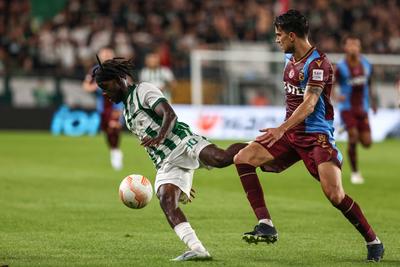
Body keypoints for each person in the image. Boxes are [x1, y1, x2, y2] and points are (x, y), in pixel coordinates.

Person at [233, 10, 384, 262]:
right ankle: (266, 223)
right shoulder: (289, 58)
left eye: (279, 36)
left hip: (316, 137)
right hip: (291, 134)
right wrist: (284, 130)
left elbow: (310, 104)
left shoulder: (318, 64)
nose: (277, 40)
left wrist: (281, 128)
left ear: (292, 36)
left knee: (335, 195)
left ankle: (373, 241)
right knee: (243, 157)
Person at [93, 57, 245, 261]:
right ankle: (198, 249)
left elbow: (169, 114)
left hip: (182, 142)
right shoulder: (127, 110)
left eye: (105, 86)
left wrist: (160, 136)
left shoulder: (142, 90)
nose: (105, 93)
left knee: (222, 158)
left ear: (119, 79)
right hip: (166, 162)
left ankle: (260, 146)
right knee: (166, 199)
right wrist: (181, 181)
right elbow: (151, 147)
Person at [335, 35, 377, 184]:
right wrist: (335, 96)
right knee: (353, 136)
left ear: (359, 48)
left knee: (367, 143)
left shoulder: (366, 64)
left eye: (356, 45)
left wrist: (373, 102)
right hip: (347, 108)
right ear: (345, 48)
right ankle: (355, 172)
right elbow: (331, 83)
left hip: (362, 107)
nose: (353, 48)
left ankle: (347, 127)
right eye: (350, 45)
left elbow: (370, 84)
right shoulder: (340, 66)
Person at [83, 47, 124, 170]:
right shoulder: (94, 70)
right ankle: (114, 150)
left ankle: (116, 153)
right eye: (103, 54)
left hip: (116, 103)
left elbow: (127, 84)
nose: (106, 56)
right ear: (99, 56)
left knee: (114, 126)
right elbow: (86, 86)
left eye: (108, 53)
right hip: (102, 107)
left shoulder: (118, 68)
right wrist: (95, 86)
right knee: (107, 131)